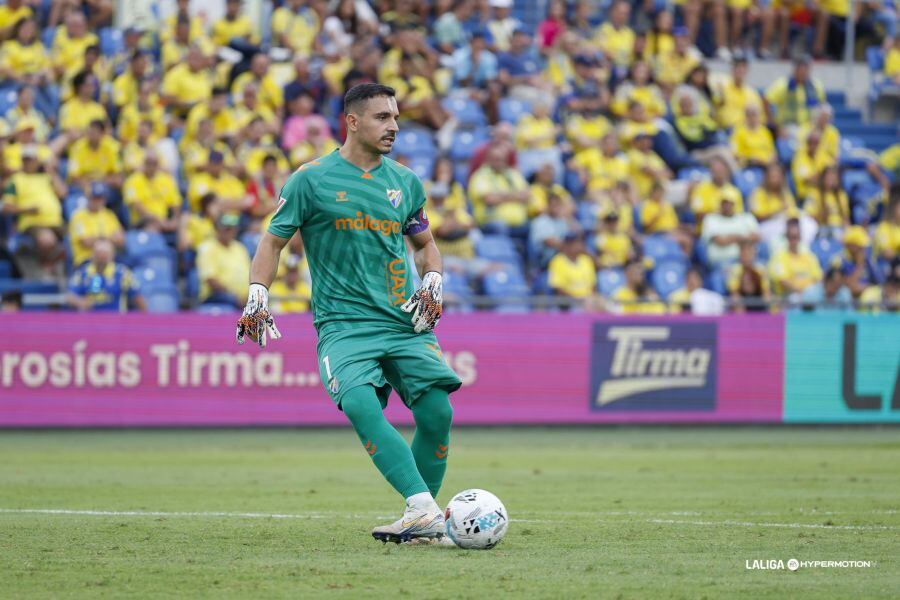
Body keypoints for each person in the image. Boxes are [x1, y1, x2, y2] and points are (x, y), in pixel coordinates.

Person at [236, 84, 461, 545]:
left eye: (395, 117)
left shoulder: (405, 182)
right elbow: (272, 240)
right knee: (359, 401)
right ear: (352, 122)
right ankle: (423, 509)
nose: (394, 126)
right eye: (382, 117)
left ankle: (422, 519)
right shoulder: (310, 179)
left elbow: (426, 245)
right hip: (344, 324)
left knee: (438, 412)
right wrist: (258, 292)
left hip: (403, 319)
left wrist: (434, 280)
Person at [66, 239, 145, 312]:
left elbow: (137, 297)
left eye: (105, 253)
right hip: (89, 321)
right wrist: (80, 302)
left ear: (112, 255)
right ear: (93, 254)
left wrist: (146, 317)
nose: (102, 257)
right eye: (99, 253)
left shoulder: (122, 273)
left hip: (117, 320)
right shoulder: (83, 272)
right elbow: (70, 296)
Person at [197, 213, 250, 306]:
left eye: (233, 228)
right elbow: (211, 279)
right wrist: (236, 298)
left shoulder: (240, 248)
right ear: (218, 229)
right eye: (226, 228)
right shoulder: (208, 247)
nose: (230, 231)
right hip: (216, 297)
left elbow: (250, 275)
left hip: (242, 299)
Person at [69, 181, 124, 267]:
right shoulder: (78, 216)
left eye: (100, 198)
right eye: (95, 198)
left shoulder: (109, 215)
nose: (98, 201)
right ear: (88, 198)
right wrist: (108, 238)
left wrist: (99, 238)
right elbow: (86, 242)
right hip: (86, 260)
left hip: (111, 260)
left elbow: (121, 240)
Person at [769, 218, 823, 298]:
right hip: (787, 298)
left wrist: (808, 292)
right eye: (791, 237)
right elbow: (783, 281)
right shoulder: (779, 257)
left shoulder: (810, 257)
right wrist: (804, 291)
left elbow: (817, 278)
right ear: (787, 238)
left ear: (800, 238)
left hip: (810, 296)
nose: (794, 241)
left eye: (796, 237)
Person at [701, 196, 760, 267]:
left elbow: (757, 237)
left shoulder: (747, 217)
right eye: (724, 203)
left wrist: (730, 238)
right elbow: (721, 241)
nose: (727, 206)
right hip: (722, 262)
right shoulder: (711, 218)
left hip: (748, 261)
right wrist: (742, 238)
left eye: (730, 203)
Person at [727, 241, 771, 312]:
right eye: (744, 254)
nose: (747, 257)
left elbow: (766, 292)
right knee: (736, 303)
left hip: (758, 299)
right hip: (742, 301)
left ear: (754, 254)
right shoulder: (735, 270)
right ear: (740, 254)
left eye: (749, 254)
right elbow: (734, 293)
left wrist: (766, 303)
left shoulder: (761, 269)